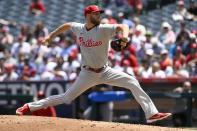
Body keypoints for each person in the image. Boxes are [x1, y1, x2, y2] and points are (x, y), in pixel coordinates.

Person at [16, 5, 171, 124]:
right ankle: (29, 106)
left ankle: (151, 114)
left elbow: (123, 26)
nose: (98, 15)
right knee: (66, 97)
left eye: (99, 13)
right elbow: (67, 25)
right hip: (87, 73)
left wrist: (124, 37)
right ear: (88, 15)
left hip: (106, 71)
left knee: (132, 81)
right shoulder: (79, 28)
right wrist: (50, 36)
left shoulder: (103, 29)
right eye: (96, 13)